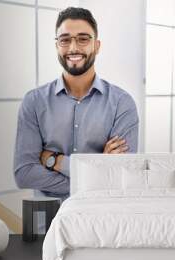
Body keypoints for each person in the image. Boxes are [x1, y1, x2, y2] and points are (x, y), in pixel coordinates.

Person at [14, 7, 139, 200]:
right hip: (47, 220)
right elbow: (24, 174)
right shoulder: (34, 102)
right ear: (57, 46)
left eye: (83, 39)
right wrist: (96, 175)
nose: (73, 48)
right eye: (65, 39)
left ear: (97, 46)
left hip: (100, 217)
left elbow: (122, 176)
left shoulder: (122, 104)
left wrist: (56, 161)